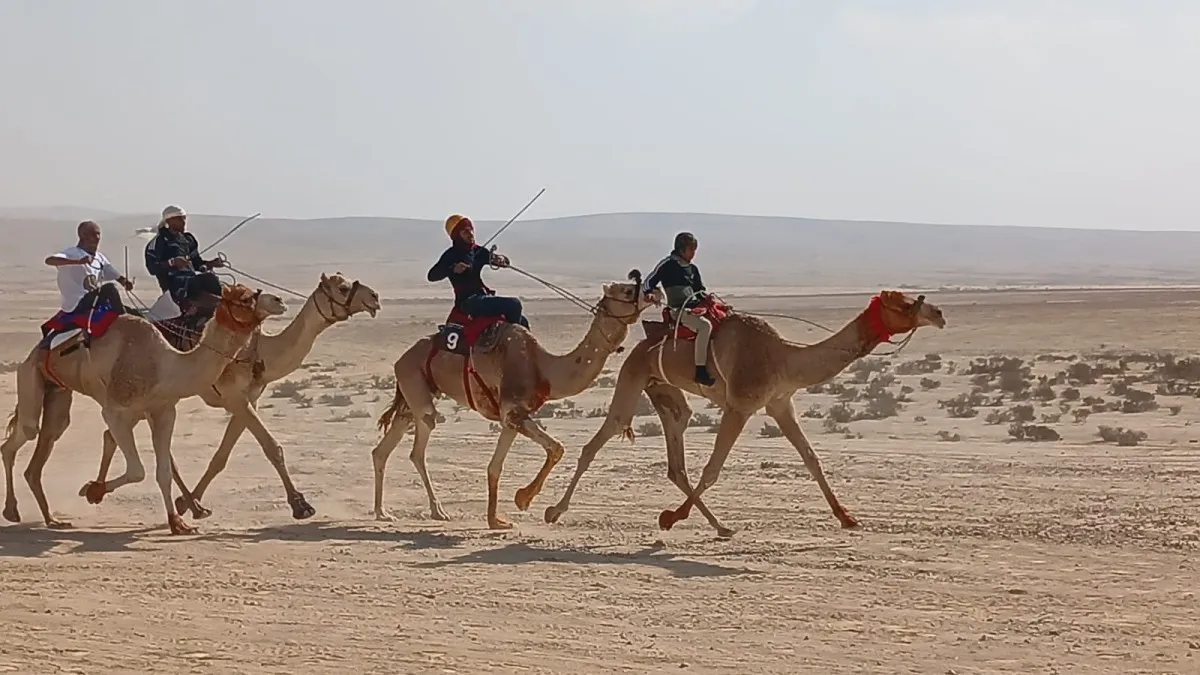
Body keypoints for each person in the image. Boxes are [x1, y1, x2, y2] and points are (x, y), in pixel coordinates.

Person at [427, 214, 529, 329]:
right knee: (514, 304)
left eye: (471, 230)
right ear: (457, 235)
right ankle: (511, 337)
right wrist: (452, 269)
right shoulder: (451, 255)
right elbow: (431, 276)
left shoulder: (478, 251)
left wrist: (501, 260)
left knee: (523, 320)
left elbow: (500, 261)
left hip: (482, 296)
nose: (470, 234)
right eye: (465, 231)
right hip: (467, 301)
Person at [643, 231, 717, 386]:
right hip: (679, 310)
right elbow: (649, 282)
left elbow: (700, 291)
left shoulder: (693, 269)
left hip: (696, 307)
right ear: (682, 249)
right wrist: (650, 293)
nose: (693, 254)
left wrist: (710, 301)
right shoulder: (667, 265)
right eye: (691, 250)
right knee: (705, 327)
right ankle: (700, 371)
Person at [144, 205, 226, 317]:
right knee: (206, 280)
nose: (183, 222)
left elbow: (197, 263)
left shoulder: (188, 239)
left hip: (194, 278)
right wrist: (172, 262)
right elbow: (152, 268)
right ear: (169, 221)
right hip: (175, 285)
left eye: (184, 218)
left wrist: (211, 263)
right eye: (179, 219)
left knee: (211, 279)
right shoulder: (158, 241)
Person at [44, 220, 134, 314]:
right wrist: (78, 262)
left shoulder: (100, 258)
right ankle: (121, 317)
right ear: (83, 236)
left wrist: (125, 282)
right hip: (78, 303)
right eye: (93, 234)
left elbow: (114, 274)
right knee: (110, 288)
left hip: (95, 300)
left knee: (133, 313)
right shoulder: (72, 253)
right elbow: (49, 260)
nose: (97, 238)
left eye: (98, 234)